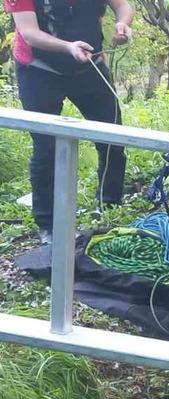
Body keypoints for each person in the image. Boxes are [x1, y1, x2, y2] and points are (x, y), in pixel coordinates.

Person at [6, 0, 134, 245]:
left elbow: (123, 6)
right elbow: (30, 33)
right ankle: (49, 224)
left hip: (89, 65)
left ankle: (109, 206)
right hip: (38, 69)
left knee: (112, 136)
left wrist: (122, 24)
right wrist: (68, 47)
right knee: (47, 147)